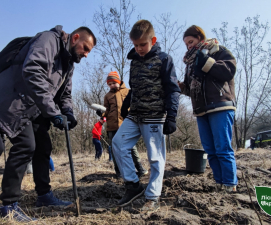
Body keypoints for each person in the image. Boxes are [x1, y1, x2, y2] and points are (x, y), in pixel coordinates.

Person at [0, 25, 96, 222]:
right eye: (85, 48)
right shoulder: (49, 40)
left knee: (43, 146)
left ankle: (44, 196)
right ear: (75, 38)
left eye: (88, 52)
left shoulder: (68, 64)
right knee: (26, 146)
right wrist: (53, 113)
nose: (86, 55)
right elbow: (32, 71)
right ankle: (8, 206)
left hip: (35, 108)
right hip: (15, 100)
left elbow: (65, 94)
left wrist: (67, 112)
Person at [112, 20, 180, 211]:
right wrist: (126, 104)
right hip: (135, 114)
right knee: (118, 143)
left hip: (155, 115)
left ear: (153, 40)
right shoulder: (134, 61)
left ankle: (152, 196)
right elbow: (134, 87)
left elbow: (172, 89)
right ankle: (133, 185)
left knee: (155, 157)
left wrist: (172, 116)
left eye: (143, 44)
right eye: (136, 45)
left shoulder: (164, 59)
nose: (139, 49)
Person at [178, 25, 238, 193]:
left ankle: (230, 184)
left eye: (191, 41)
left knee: (222, 147)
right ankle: (219, 183)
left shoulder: (218, 51)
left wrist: (206, 63)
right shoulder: (190, 64)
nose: (189, 46)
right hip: (201, 109)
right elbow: (191, 89)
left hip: (220, 105)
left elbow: (229, 71)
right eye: (186, 44)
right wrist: (180, 86)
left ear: (200, 38)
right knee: (210, 150)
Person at [97, 71, 148, 178]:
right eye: (109, 84)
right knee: (114, 149)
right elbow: (106, 110)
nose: (111, 86)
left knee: (132, 147)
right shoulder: (107, 96)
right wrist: (101, 112)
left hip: (126, 124)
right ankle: (119, 171)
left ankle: (139, 168)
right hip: (112, 126)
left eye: (113, 83)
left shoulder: (128, 92)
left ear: (119, 81)